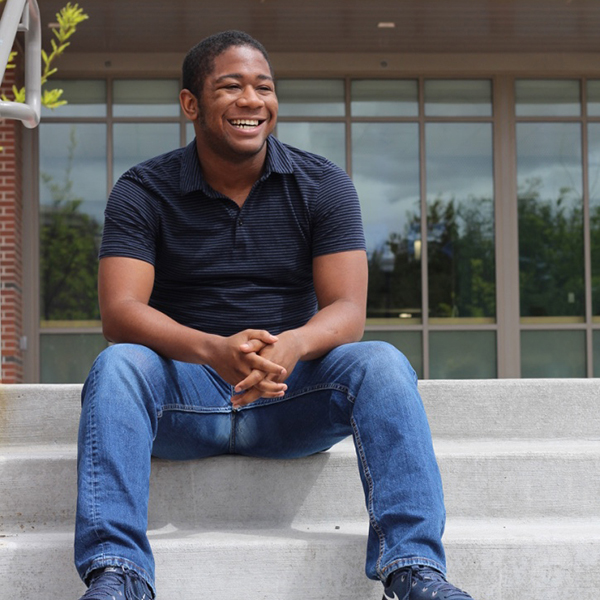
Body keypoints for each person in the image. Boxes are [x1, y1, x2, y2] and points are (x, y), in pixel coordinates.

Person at [75, 30, 475, 600]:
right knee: (119, 365)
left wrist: (292, 345)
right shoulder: (143, 189)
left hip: (290, 395)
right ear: (191, 104)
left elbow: (347, 310)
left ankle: (414, 572)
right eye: (231, 86)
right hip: (185, 396)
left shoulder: (322, 184)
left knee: (380, 361)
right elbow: (121, 312)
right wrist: (213, 349)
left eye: (264, 87)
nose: (251, 100)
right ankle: (117, 575)